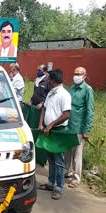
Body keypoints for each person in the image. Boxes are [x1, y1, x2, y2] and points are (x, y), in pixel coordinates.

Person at [38, 69, 71, 200]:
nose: (47, 81)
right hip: (47, 130)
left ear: (53, 80)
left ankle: (59, 187)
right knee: (50, 158)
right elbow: (44, 109)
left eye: (48, 79)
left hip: (58, 131)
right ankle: (51, 183)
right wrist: (41, 124)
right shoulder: (51, 92)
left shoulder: (64, 95)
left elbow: (66, 114)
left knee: (59, 161)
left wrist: (51, 125)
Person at [65, 67, 94, 188]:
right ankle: (67, 171)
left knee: (77, 155)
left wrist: (86, 130)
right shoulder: (71, 88)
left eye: (79, 74)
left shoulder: (87, 90)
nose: (76, 76)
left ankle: (76, 178)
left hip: (79, 127)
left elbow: (90, 111)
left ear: (84, 76)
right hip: (68, 125)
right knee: (67, 152)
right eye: (75, 73)